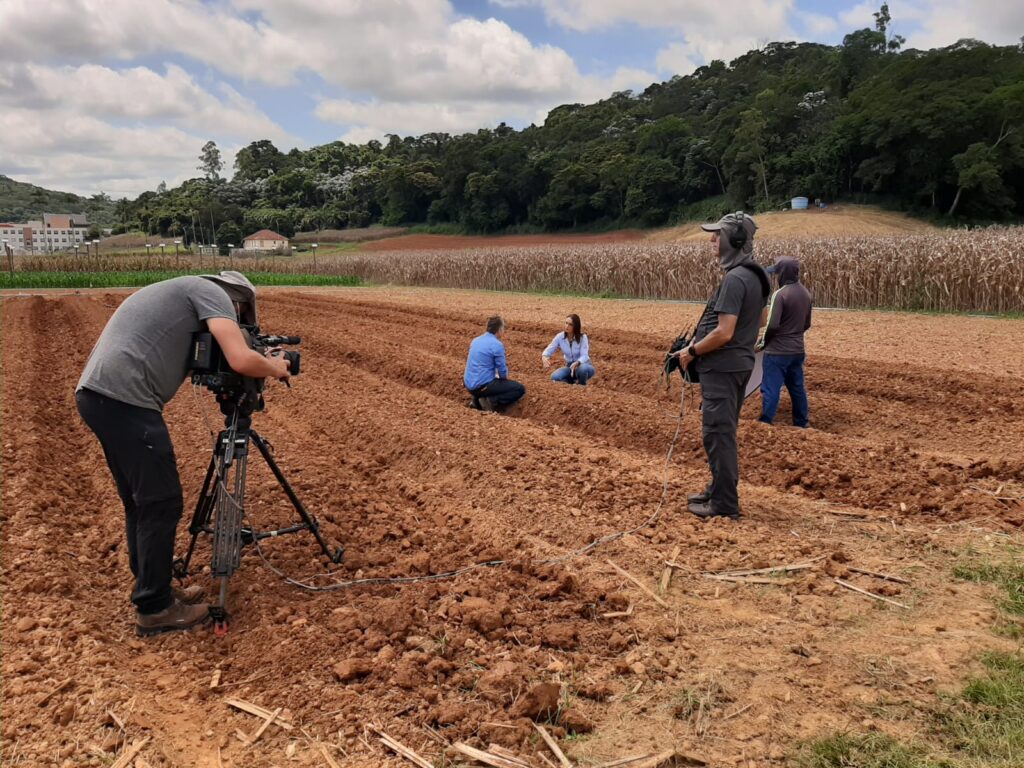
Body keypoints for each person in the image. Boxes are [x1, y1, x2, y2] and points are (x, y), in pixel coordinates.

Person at [75, 271, 291, 636]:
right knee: (161, 503)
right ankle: (155, 608)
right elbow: (239, 360)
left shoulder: (181, 292)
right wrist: (274, 365)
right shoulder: (211, 293)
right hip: (126, 400)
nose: (237, 322)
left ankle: (152, 585)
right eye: (240, 318)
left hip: (97, 396)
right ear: (239, 301)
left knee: (141, 502)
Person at [672, 212, 770, 520]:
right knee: (722, 431)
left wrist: (691, 350)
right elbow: (761, 323)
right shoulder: (756, 275)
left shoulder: (735, 278)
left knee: (717, 433)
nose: (712, 240)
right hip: (737, 366)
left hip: (723, 368)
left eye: (718, 235)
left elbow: (724, 332)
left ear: (734, 241)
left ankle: (725, 503)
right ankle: (717, 490)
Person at [758, 257, 812, 427]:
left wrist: (763, 343)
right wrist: (793, 335)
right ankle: (801, 422)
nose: (776, 277)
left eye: (777, 273)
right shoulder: (806, 294)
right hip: (797, 351)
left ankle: (765, 422)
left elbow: (772, 325)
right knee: (797, 388)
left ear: (782, 273)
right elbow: (807, 324)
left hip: (777, 352)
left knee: (771, 388)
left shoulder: (780, 294)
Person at [463, 315, 526, 412]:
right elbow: (502, 371)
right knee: (519, 389)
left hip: (468, 385)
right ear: (500, 329)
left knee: (485, 379)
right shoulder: (497, 345)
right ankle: (491, 401)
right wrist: (503, 381)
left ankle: (475, 401)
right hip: (482, 386)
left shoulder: (475, 340)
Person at [542, 313, 596, 385]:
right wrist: (544, 356)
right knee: (554, 377)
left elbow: (585, 355)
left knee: (582, 369)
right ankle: (570, 384)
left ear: (575, 326)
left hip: (583, 365)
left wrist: (577, 362)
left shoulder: (583, 337)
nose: (567, 326)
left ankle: (582, 385)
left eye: (570, 324)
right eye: (566, 323)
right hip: (570, 367)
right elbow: (550, 348)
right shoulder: (560, 337)